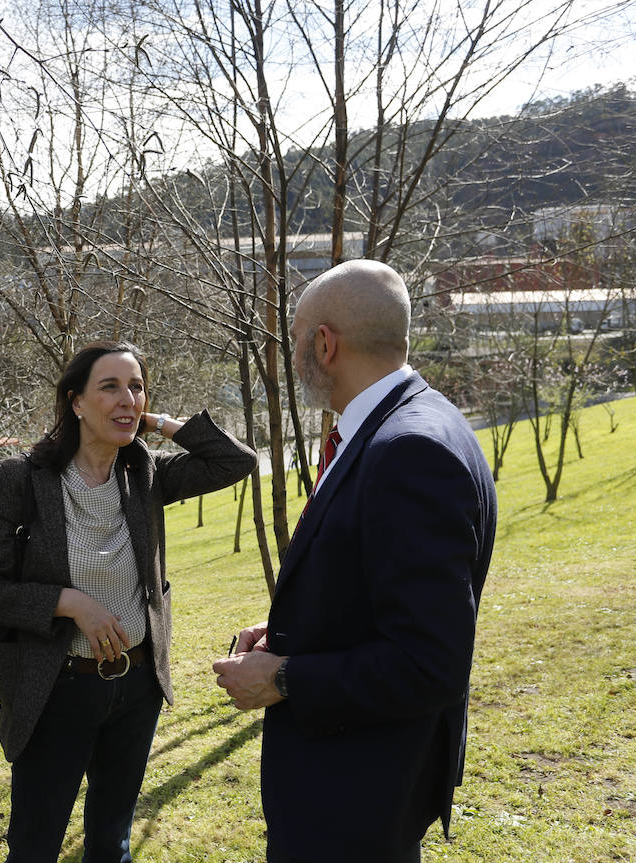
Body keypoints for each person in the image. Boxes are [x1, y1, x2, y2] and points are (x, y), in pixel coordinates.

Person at [212, 259, 498, 862]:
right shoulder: (413, 422)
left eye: (293, 341)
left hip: (357, 790)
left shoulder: (409, 449)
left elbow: (430, 662)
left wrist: (284, 677)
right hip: (363, 780)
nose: (291, 357)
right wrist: (297, 631)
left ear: (324, 342)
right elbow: (376, 585)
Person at [0, 341, 257, 862]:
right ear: (75, 402)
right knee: (35, 844)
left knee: (111, 843)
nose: (128, 399)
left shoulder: (144, 473)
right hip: (55, 688)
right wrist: (69, 602)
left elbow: (235, 461)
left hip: (136, 685)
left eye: (137, 387)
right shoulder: (21, 480)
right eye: (110, 387)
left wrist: (158, 422)